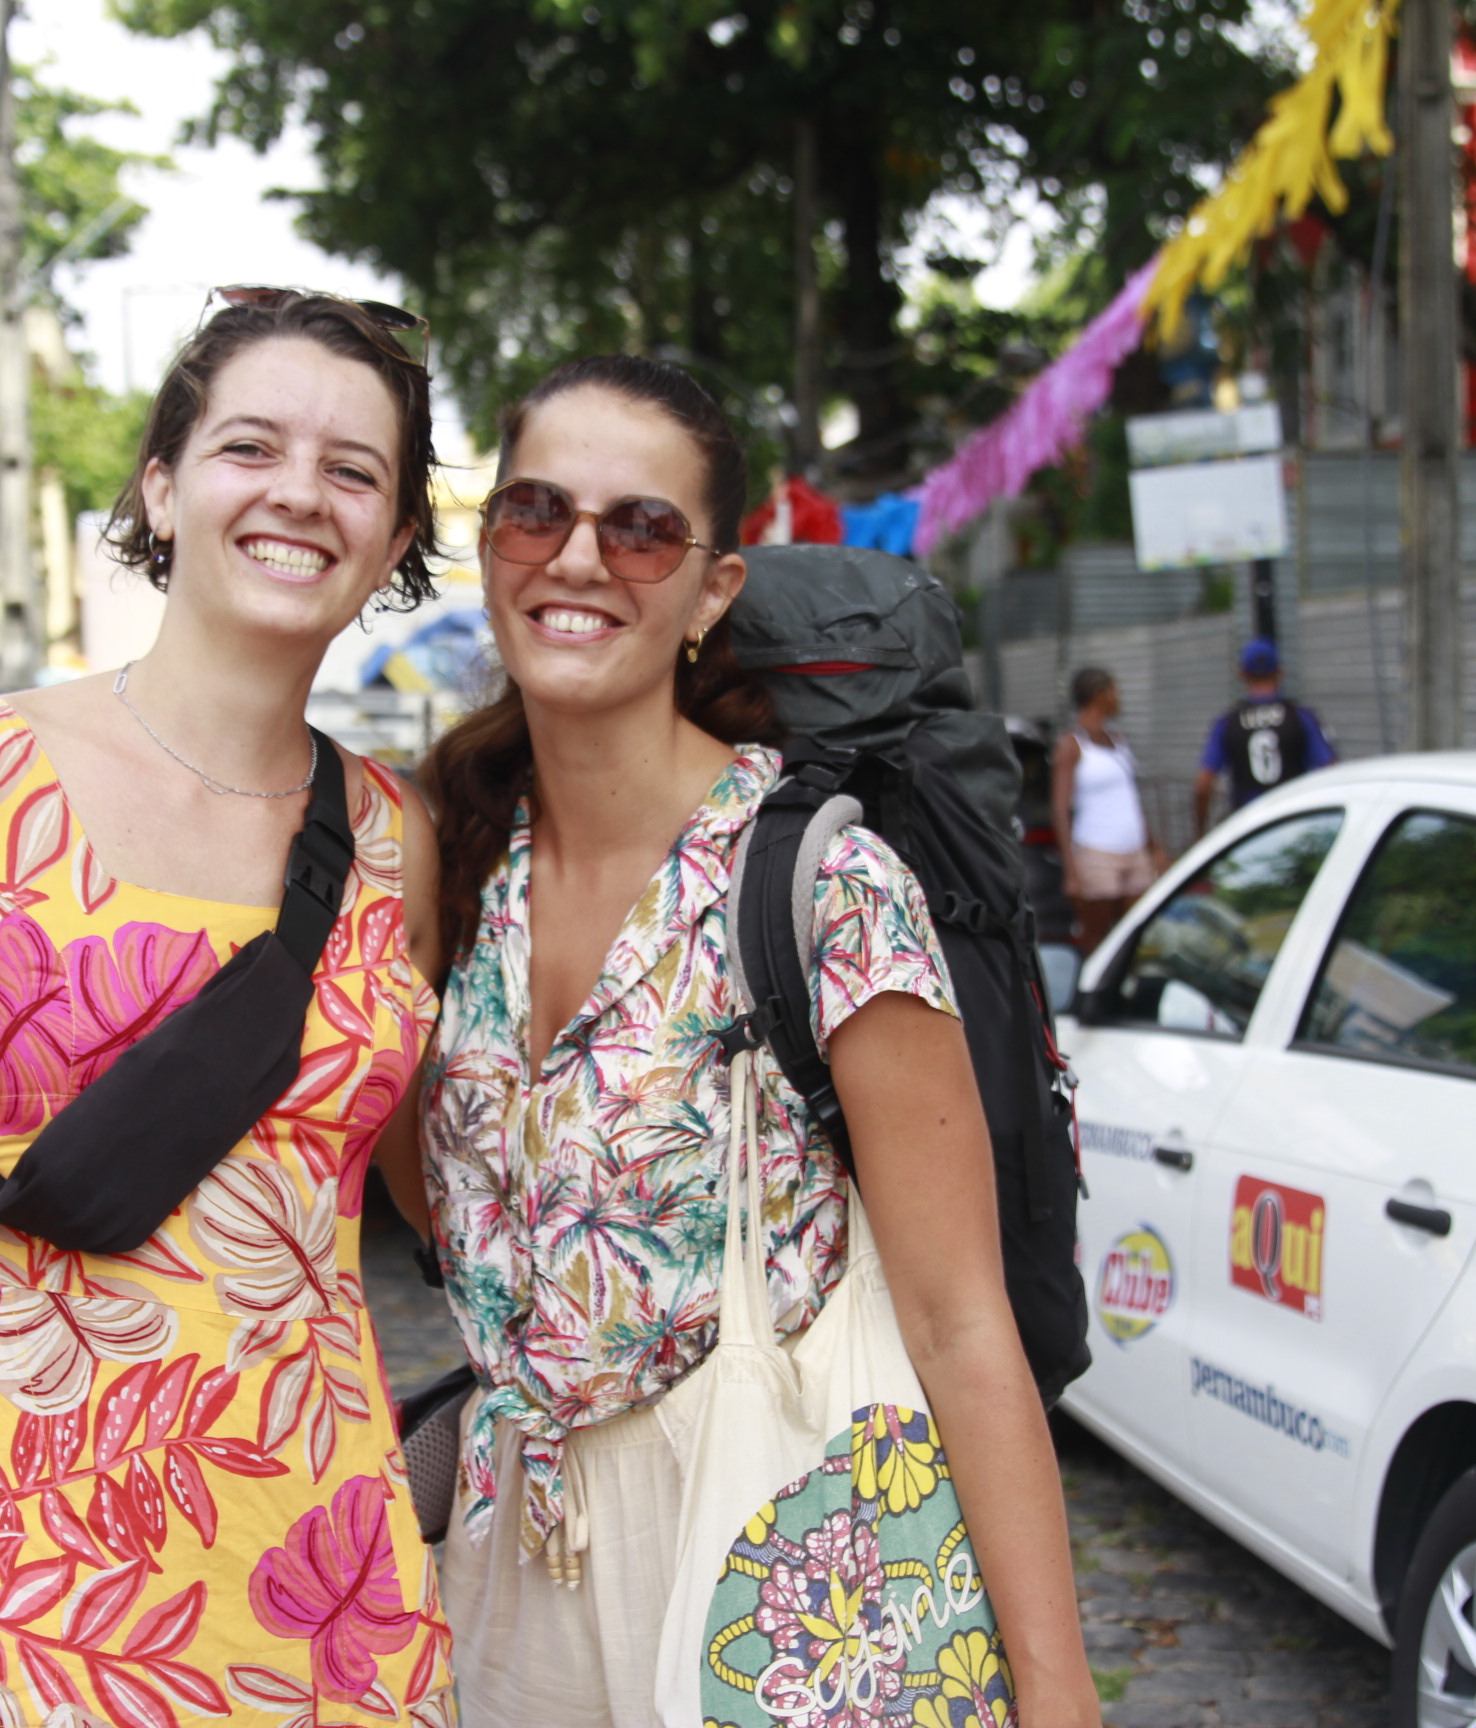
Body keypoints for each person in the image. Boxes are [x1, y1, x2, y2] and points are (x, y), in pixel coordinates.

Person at [0, 291, 455, 1727]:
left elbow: (432, 1204)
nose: (299, 495)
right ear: (163, 483)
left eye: (355, 472)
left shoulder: (395, 837)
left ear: (392, 542)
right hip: (16, 1584)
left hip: (327, 1596)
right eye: (251, 445)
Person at [386, 355, 1100, 1728]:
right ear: (491, 547)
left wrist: (1058, 1695)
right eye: (536, 511)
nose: (579, 557)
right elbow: (449, 1218)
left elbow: (960, 1324)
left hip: (778, 1570)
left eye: (641, 527)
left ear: (714, 589)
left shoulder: (820, 889)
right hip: (508, 1575)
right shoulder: (454, 864)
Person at [1052, 666, 1163, 954]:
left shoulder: (1117, 741)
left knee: (1138, 929)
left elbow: (1131, 799)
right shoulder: (1072, 746)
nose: (1118, 698)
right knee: (1098, 936)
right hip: (1097, 851)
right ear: (1099, 695)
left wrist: (1154, 846)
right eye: (1114, 691)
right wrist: (1071, 869)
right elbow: (1061, 809)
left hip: (1133, 848)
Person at [1193, 638, 1338, 833]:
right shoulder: (1301, 717)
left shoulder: (1228, 723)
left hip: (1249, 830)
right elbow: (1329, 771)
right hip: (1296, 824)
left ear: (1241, 674)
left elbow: (1203, 785)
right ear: (1280, 671)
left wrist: (1200, 831)